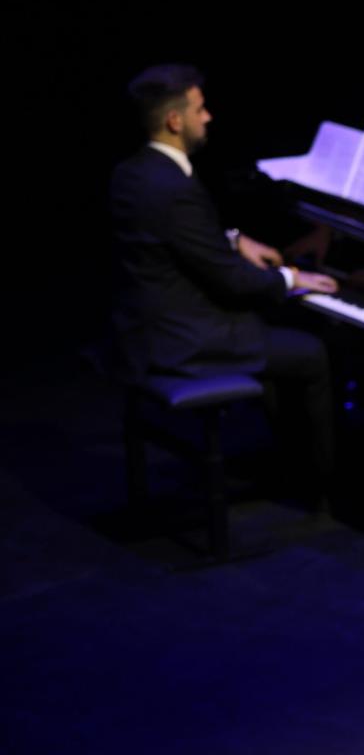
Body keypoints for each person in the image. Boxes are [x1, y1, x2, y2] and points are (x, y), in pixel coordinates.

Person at [110, 64, 341, 507]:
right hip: (181, 340)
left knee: (275, 332)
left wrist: (234, 240)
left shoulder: (135, 172)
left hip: (146, 328)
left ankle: (291, 463)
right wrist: (293, 277)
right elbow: (231, 282)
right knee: (311, 352)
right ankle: (321, 486)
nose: (209, 117)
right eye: (200, 109)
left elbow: (176, 235)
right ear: (175, 121)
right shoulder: (174, 186)